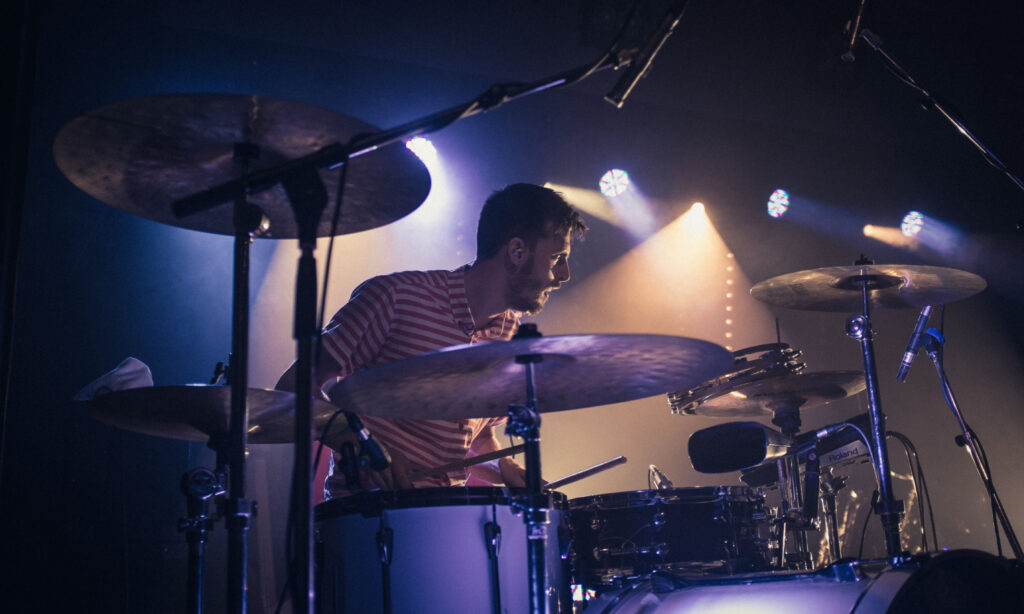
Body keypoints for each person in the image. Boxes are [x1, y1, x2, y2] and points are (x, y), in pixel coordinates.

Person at [277, 183, 587, 499]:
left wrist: (506, 468)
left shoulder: (508, 329)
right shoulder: (396, 297)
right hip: (366, 516)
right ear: (517, 251)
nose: (564, 274)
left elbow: (473, 440)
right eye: (558, 257)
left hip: (443, 515)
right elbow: (294, 385)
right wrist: (363, 445)